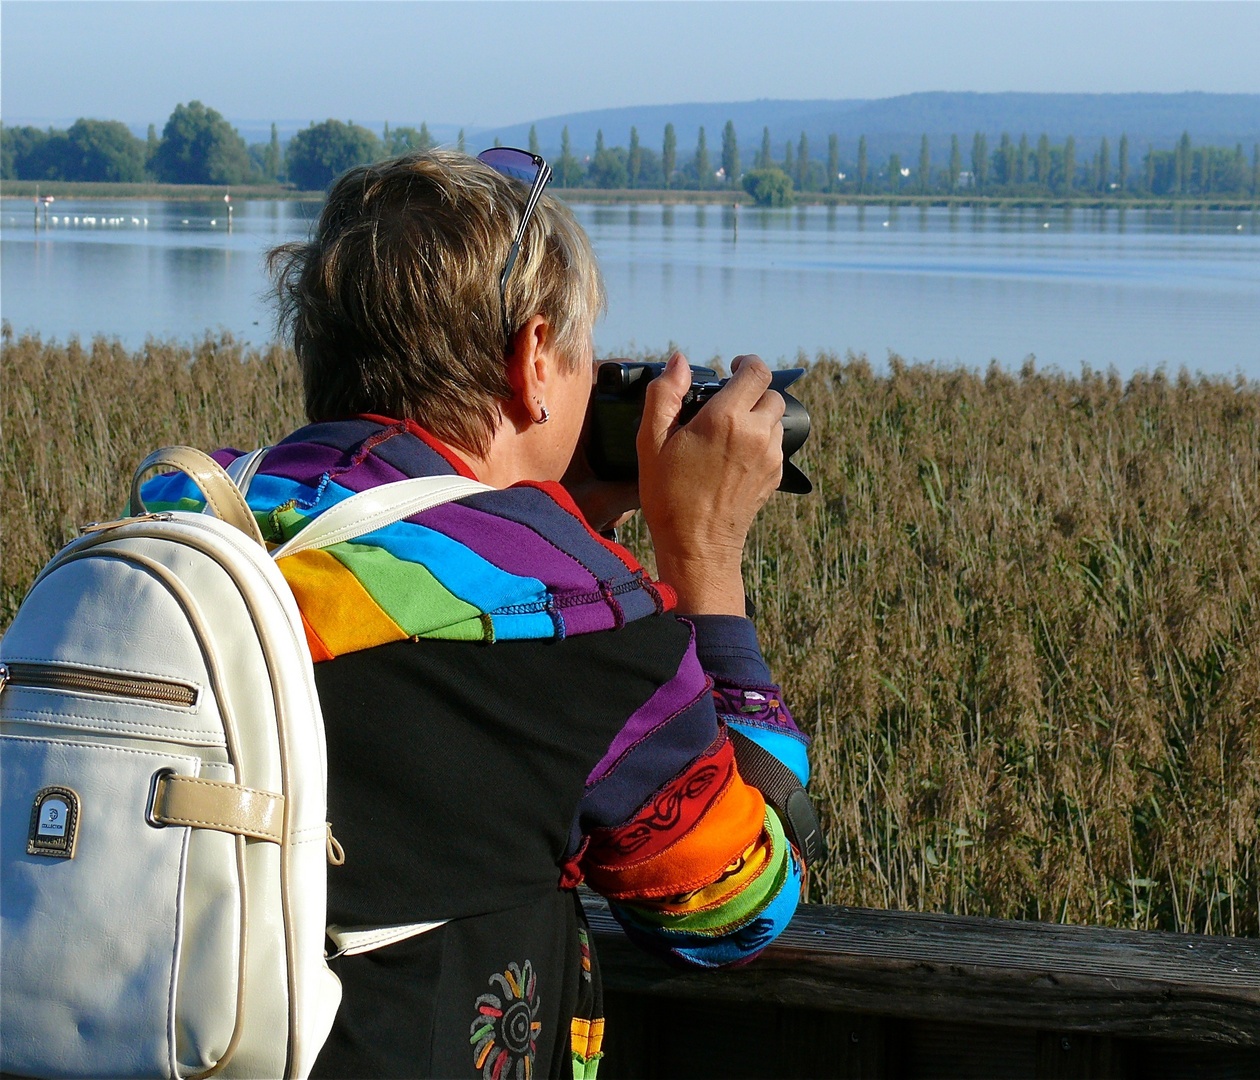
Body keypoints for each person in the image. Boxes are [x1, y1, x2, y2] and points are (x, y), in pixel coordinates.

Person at [138, 149, 811, 1079]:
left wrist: (542, 520)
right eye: (582, 356)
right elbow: (737, 907)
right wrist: (701, 556)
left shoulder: (185, 520)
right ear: (534, 361)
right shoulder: (585, 627)